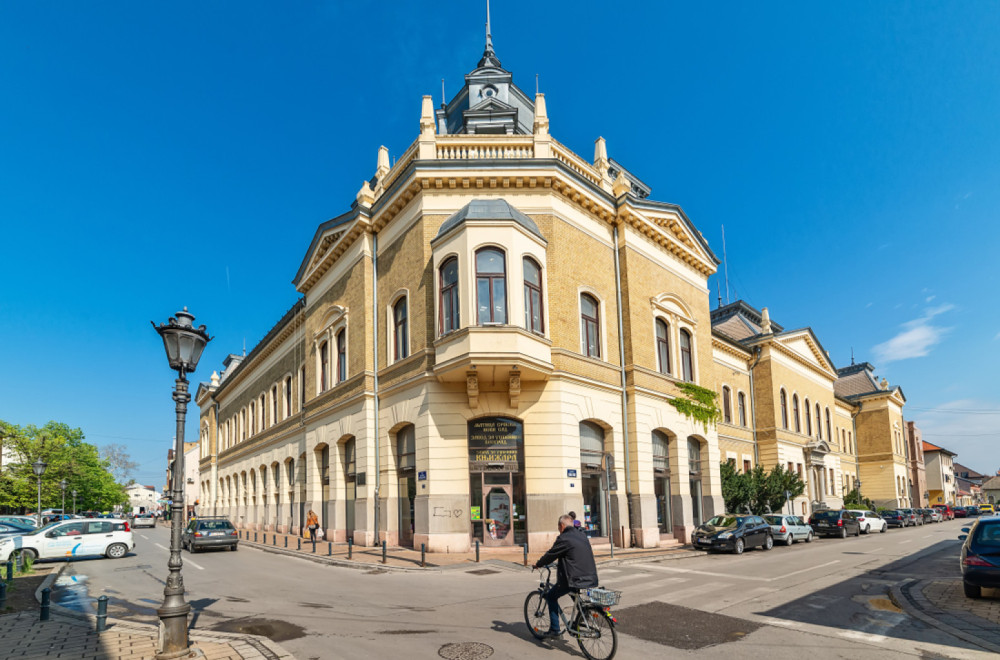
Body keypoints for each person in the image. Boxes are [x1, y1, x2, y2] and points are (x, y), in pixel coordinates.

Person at [532, 514, 599, 638]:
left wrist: (538, 564)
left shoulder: (564, 538)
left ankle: (554, 629)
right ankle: (580, 618)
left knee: (551, 596)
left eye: (558, 527)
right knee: (578, 598)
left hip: (573, 579)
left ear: (561, 526)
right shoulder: (582, 535)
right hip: (590, 577)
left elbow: (551, 555)